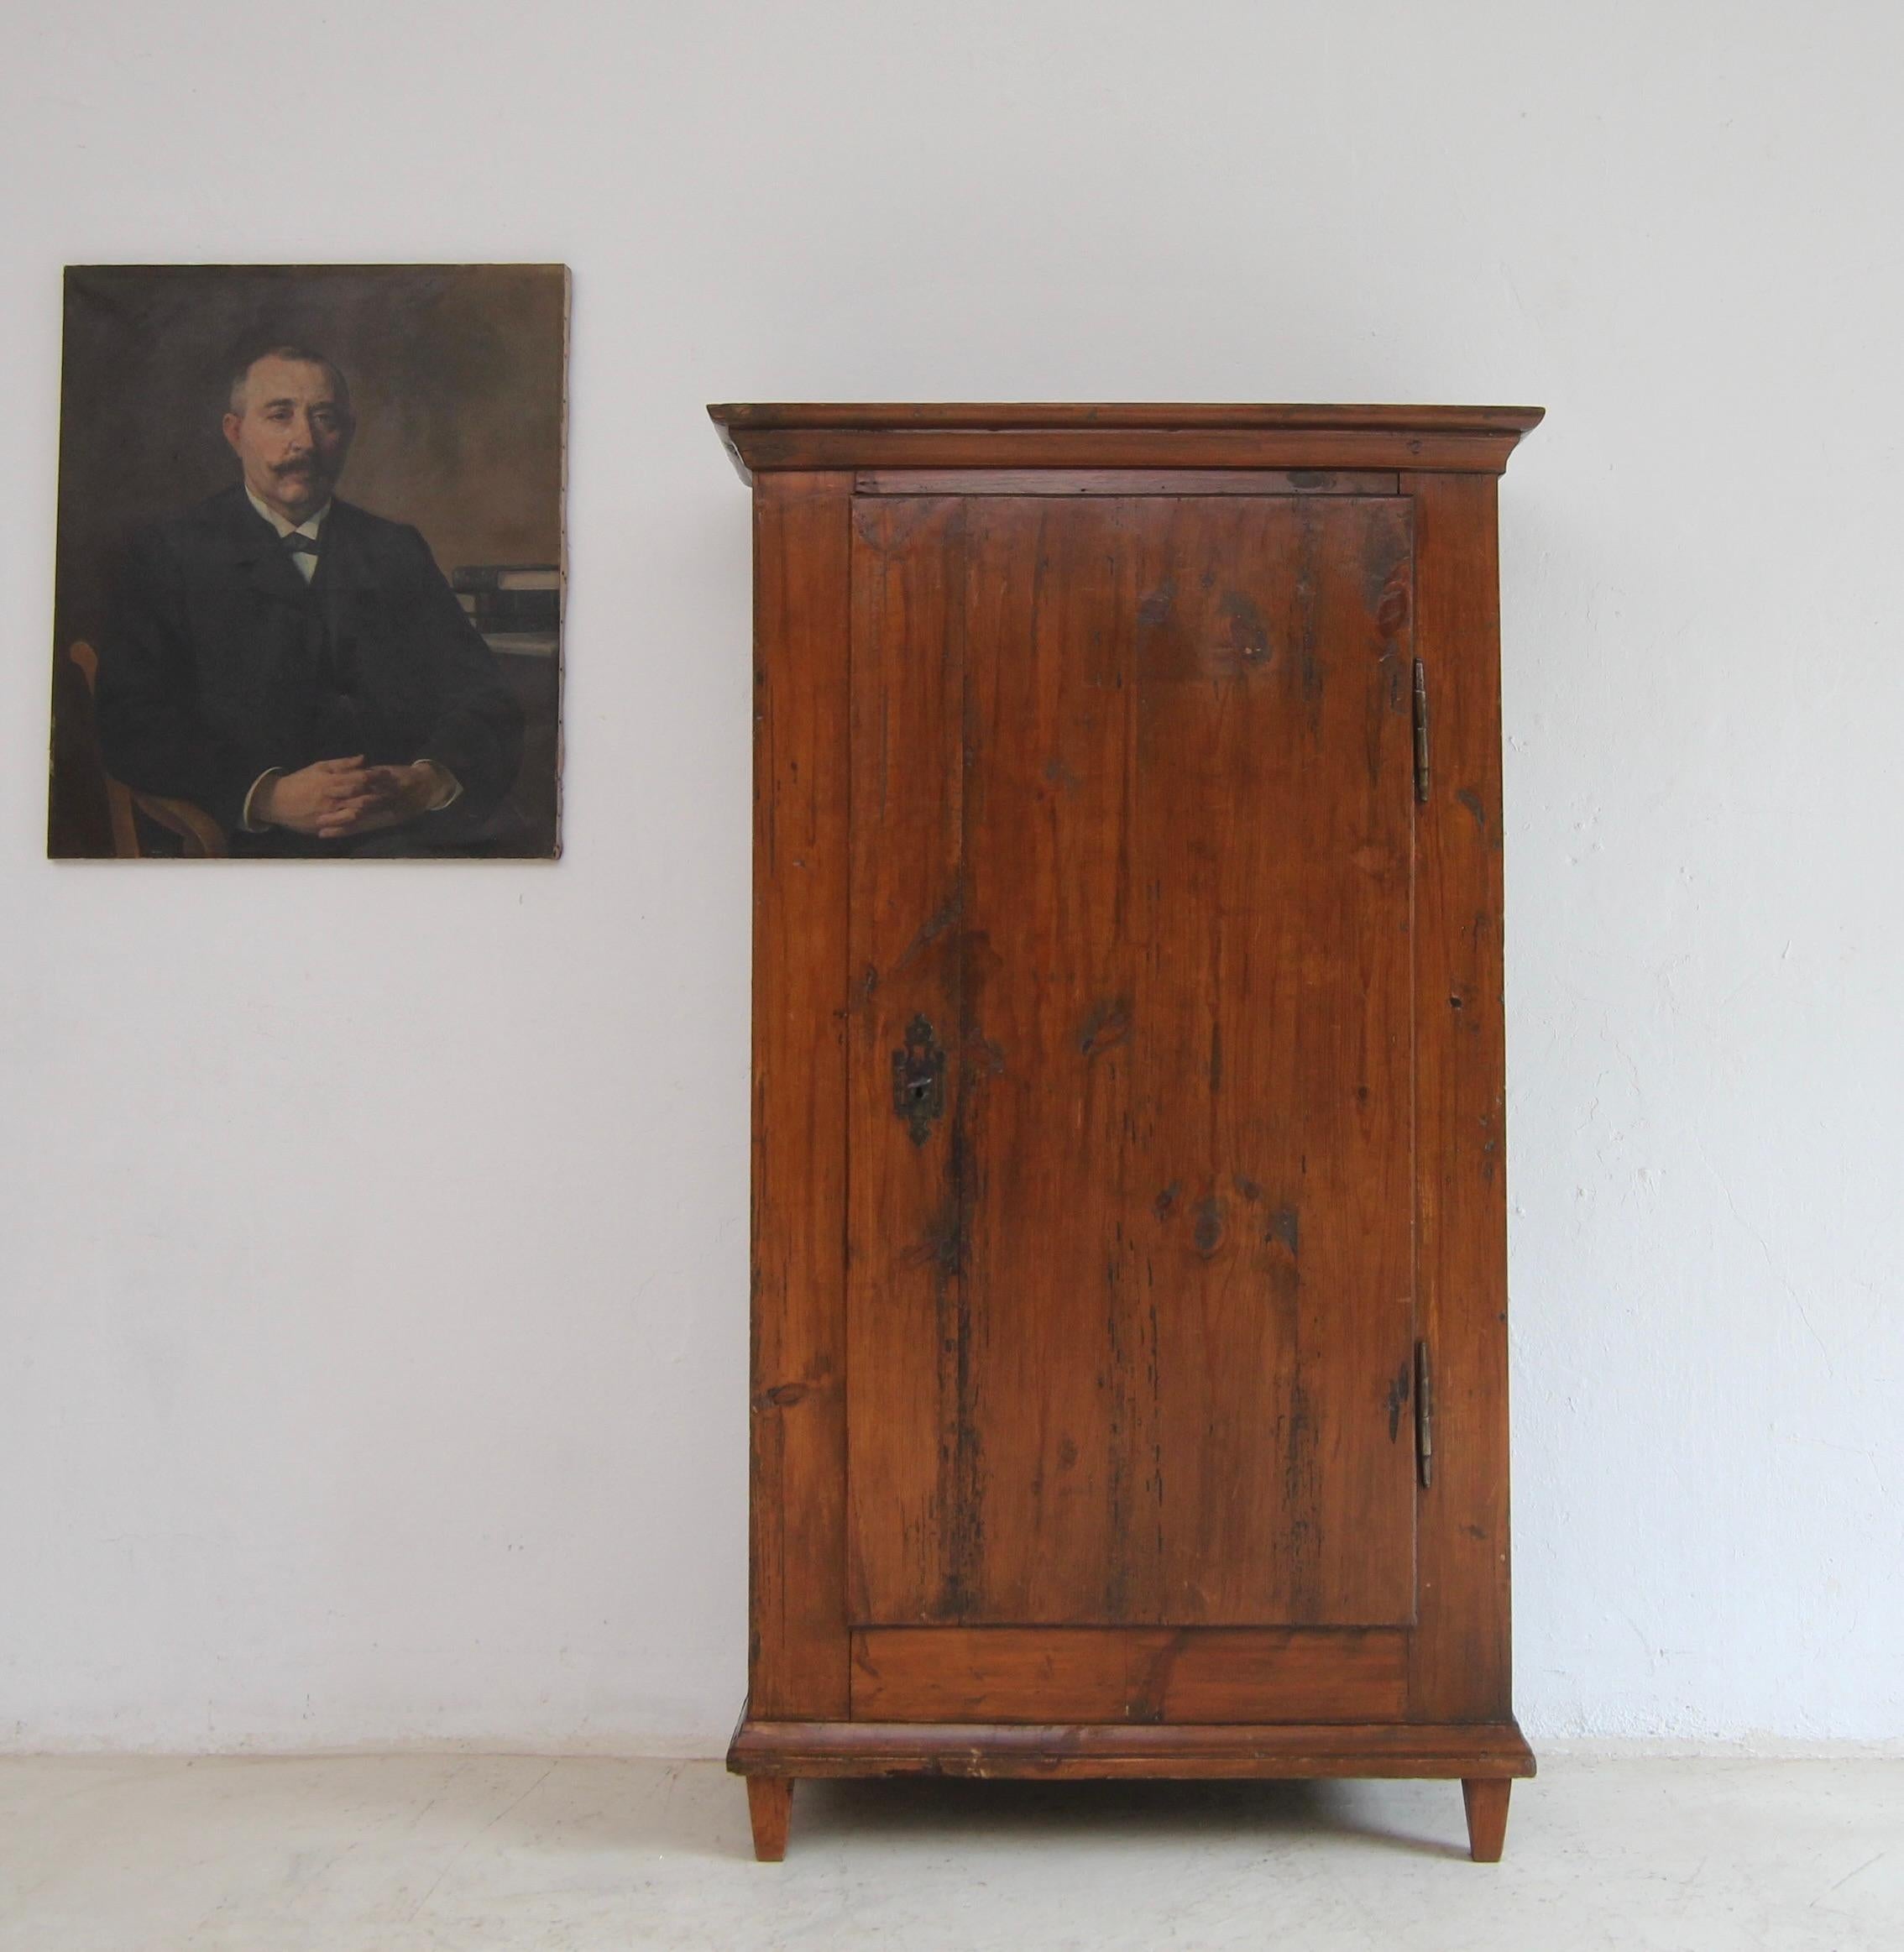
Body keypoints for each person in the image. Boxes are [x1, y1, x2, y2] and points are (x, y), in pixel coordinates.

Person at [96, 341, 524, 856]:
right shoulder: (168, 552)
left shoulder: (395, 549)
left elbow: (485, 697)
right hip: (252, 846)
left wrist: (428, 781)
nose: (305, 440)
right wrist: (267, 796)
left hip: (409, 838)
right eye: (280, 416)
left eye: (325, 419)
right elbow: (131, 723)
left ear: (347, 436)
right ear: (235, 433)